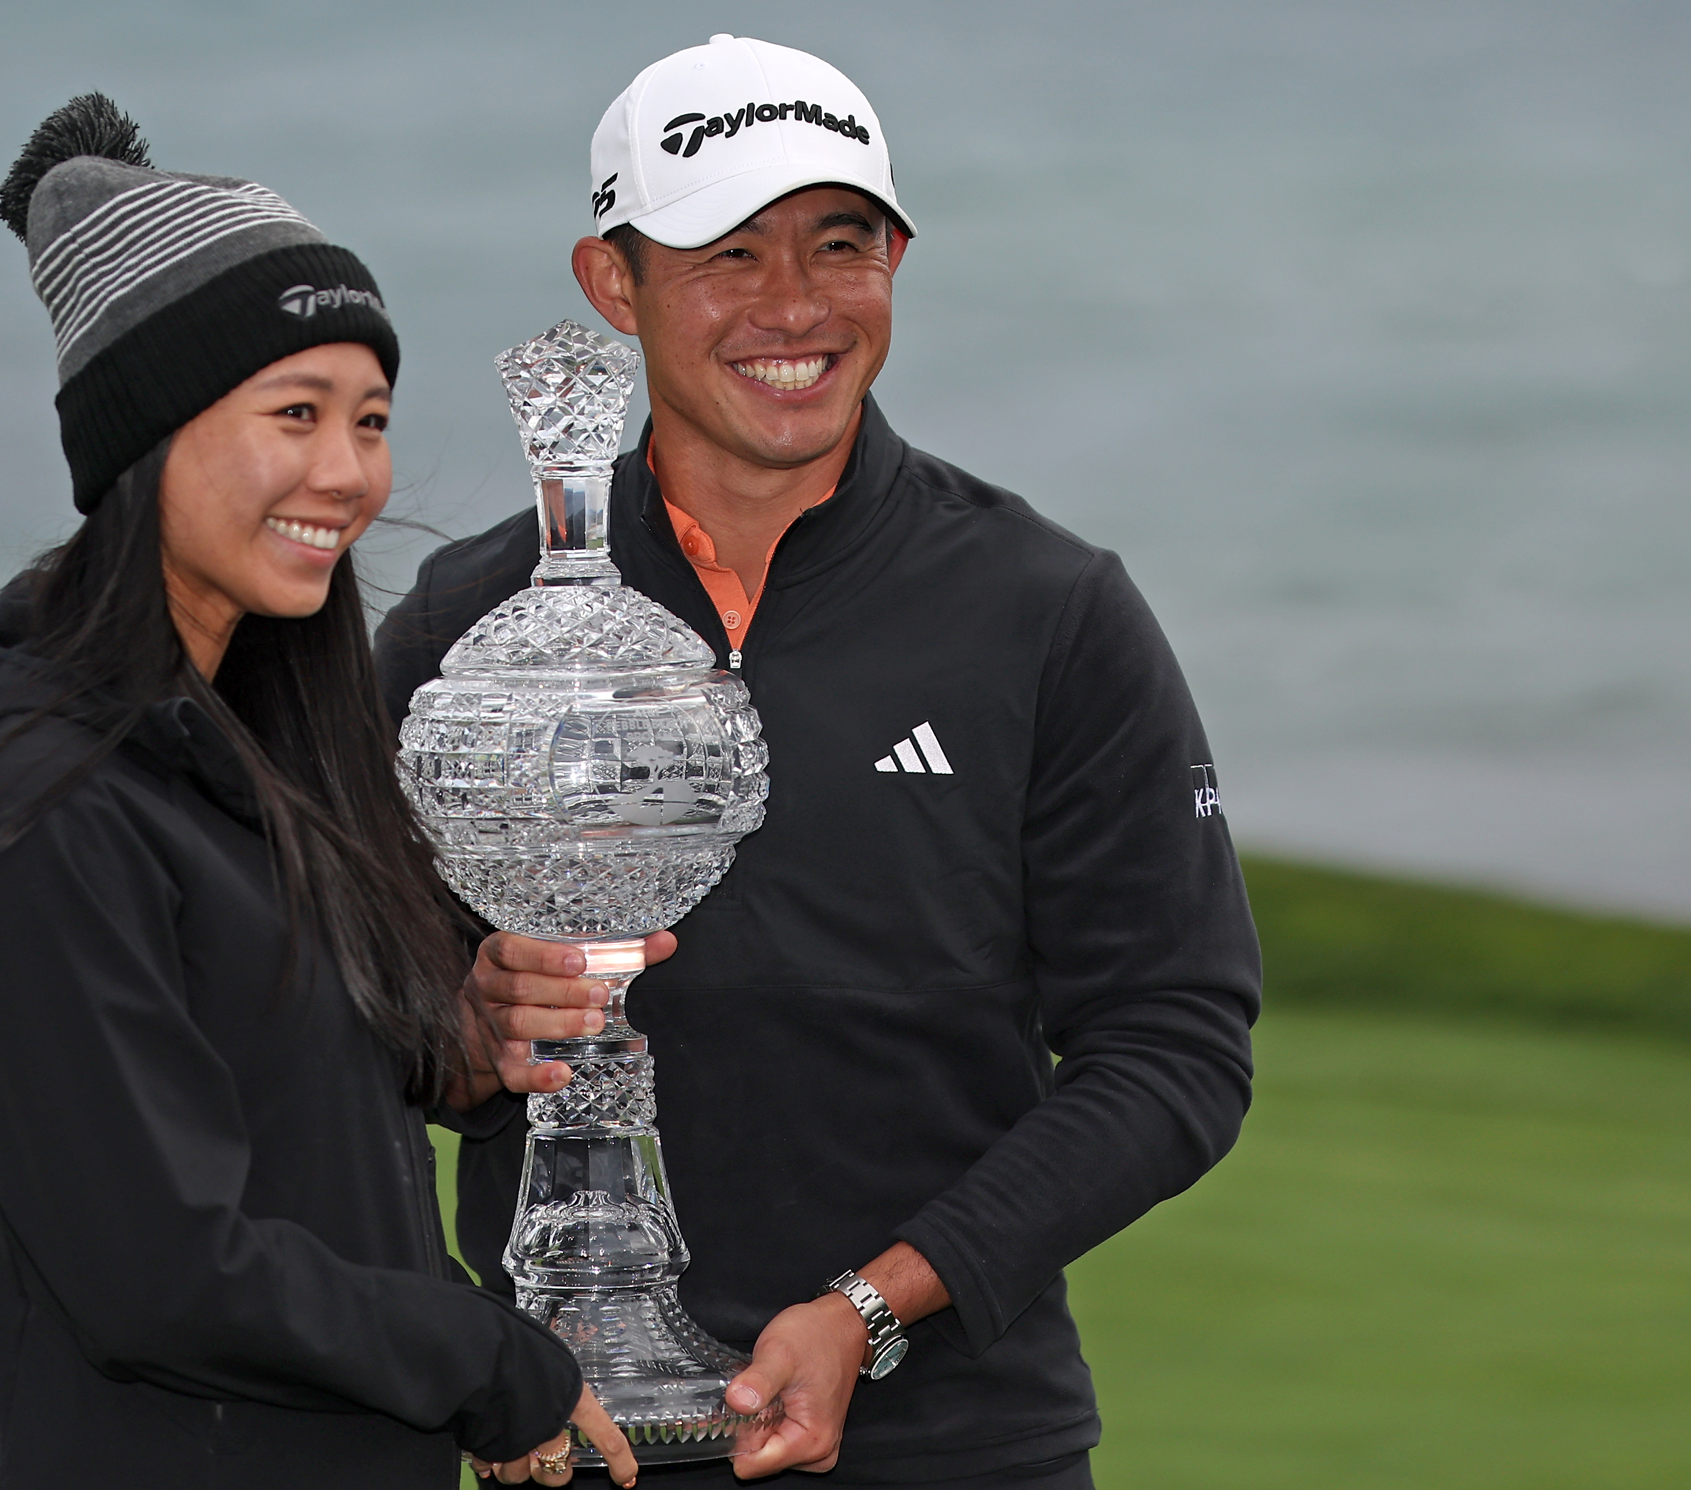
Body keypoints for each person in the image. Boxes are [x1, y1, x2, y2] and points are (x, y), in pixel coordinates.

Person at [378, 38, 1263, 1488]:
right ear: (615, 285)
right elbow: (338, 1002)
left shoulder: (1047, 610)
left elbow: (1175, 1046)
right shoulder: (476, 624)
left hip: (965, 1443)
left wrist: (878, 1303)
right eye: (728, 253)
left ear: (897, 262)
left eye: (839, 246)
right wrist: (464, 1034)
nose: (794, 306)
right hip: (569, 1441)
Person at [0, 95, 638, 1490]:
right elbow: (158, 1267)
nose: (349, 472)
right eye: (295, 414)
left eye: (370, 418)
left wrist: (458, 1046)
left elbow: (292, 1133)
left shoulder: (259, 757)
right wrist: (491, 1366)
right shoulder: (38, 804)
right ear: (150, 437)